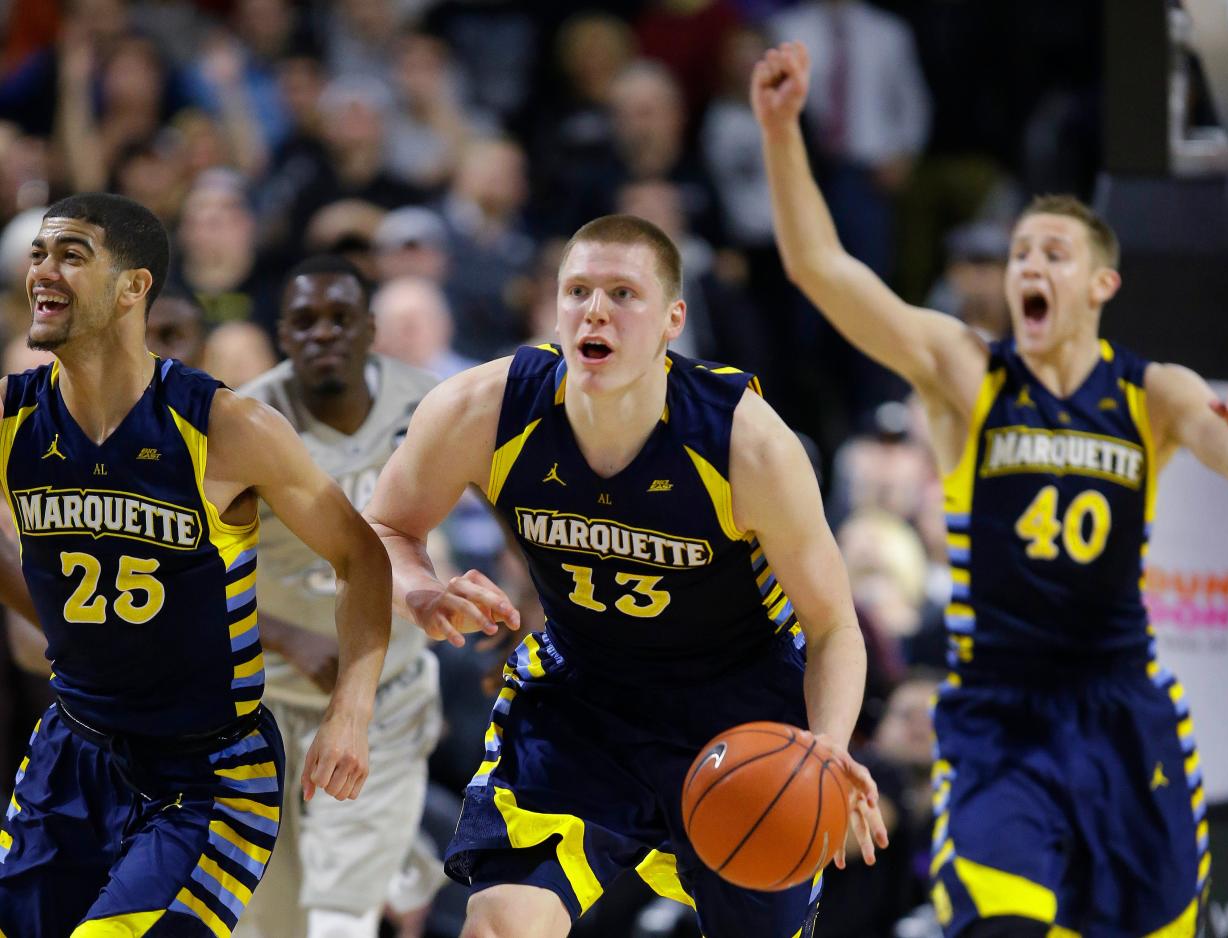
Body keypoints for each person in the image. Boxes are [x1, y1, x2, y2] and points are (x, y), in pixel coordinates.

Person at [753, 41, 1228, 937]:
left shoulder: (1153, 391)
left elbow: (1227, 449)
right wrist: (781, 134)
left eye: (1051, 252)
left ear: (1100, 283)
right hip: (996, 711)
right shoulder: (967, 374)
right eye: (1019, 253)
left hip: (1122, 709)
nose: (1026, 269)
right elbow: (822, 271)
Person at [364, 213, 888, 938]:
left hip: (739, 707)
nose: (595, 310)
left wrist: (825, 750)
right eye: (576, 290)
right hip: (583, 698)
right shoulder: (481, 409)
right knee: (499, 924)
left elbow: (833, 627)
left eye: (621, 293)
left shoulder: (745, 442)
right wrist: (420, 590)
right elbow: (385, 529)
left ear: (674, 318)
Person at [0, 193, 391, 936]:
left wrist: (352, 706)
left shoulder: (224, 425)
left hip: (202, 773)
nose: (43, 272)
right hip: (69, 753)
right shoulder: (11, 417)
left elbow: (360, 555)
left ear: (133, 287)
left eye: (71, 255)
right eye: (37, 255)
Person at [234, 255, 445, 938]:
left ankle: (386, 851)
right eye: (304, 322)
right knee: (272, 924)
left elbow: (514, 512)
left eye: (339, 318)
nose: (323, 333)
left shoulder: (433, 404)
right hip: (268, 703)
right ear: (283, 336)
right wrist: (287, 635)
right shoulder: (246, 425)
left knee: (337, 922)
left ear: (369, 328)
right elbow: (193, 576)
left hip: (384, 694)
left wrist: (516, 606)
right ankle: (403, 857)